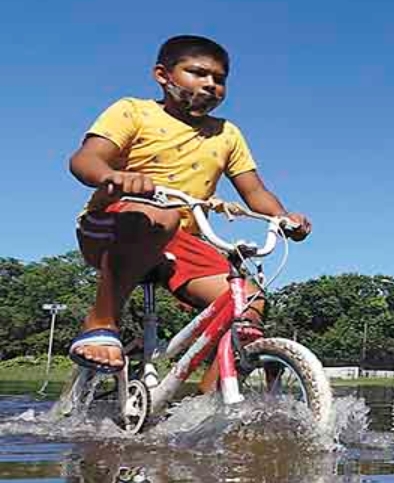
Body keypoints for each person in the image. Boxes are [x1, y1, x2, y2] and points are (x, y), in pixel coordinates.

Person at [68, 35, 311, 373]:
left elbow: (254, 192)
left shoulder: (226, 134)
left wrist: (283, 218)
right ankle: (101, 322)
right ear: (162, 75)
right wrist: (114, 177)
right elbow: (86, 159)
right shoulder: (133, 111)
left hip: (179, 244)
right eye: (197, 73)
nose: (211, 84)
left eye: (220, 79)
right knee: (161, 216)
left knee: (248, 304)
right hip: (114, 226)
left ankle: (211, 405)